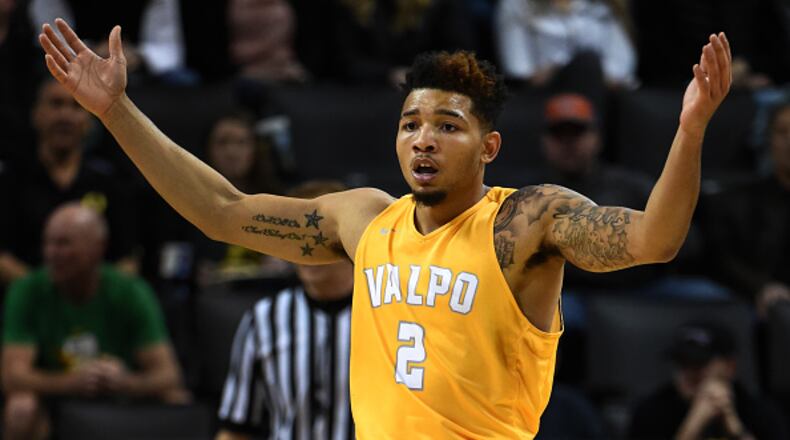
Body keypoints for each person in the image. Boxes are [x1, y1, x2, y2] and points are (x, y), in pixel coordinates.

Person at [38, 18, 732, 437]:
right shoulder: (364, 217)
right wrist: (116, 113)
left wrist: (690, 128)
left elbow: (652, 241)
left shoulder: (525, 220)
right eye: (410, 125)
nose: (423, 141)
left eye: (447, 126)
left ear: (489, 147)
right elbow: (220, 210)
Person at [1, 203, 189, 440]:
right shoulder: (27, 290)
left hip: (121, 397)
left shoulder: (130, 291)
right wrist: (73, 382)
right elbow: (12, 376)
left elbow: (169, 375)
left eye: (63, 243)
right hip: (53, 400)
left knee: (176, 398)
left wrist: (125, 382)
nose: (51, 253)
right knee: (21, 407)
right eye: (48, 243)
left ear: (97, 248)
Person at [216, 180, 353, 440]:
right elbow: (237, 428)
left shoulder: (385, 313)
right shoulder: (264, 318)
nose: (307, 245)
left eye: (319, 232)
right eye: (297, 233)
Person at [0, 77, 138, 286]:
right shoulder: (9, 181)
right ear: (36, 114)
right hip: (27, 305)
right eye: (56, 104)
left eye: (76, 107)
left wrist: (90, 298)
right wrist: (49, 296)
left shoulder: (110, 183)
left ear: (90, 121)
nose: (65, 115)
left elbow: (128, 261)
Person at [627, 321, 788, 440]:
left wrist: (734, 428)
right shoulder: (651, 411)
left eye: (698, 364)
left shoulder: (760, 411)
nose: (688, 373)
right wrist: (693, 425)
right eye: (682, 363)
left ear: (730, 367)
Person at [702, 101, 790, 317]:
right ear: (768, 139)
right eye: (782, 132)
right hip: (753, 302)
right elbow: (721, 259)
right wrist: (760, 286)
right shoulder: (737, 201)